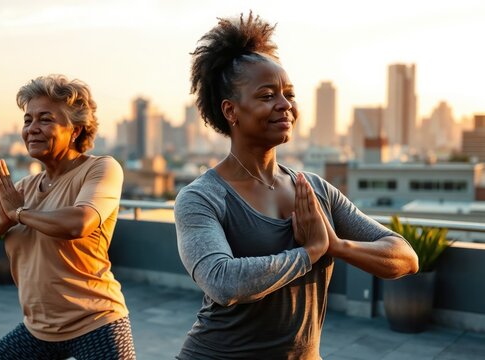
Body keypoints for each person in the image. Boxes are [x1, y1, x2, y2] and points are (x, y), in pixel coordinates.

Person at [174, 13, 419, 359]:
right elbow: (222, 281)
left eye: (289, 94)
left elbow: (406, 258)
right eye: (266, 95)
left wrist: (336, 246)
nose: (285, 105)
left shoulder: (315, 189)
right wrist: (310, 254)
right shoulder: (201, 197)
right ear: (231, 110)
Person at [0, 74, 136, 360]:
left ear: (76, 130)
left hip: (96, 323)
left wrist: (19, 213)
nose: (32, 129)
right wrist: (6, 219)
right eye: (28, 120)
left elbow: (79, 222)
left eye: (45, 119)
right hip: (38, 330)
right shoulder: (23, 188)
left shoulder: (100, 169)